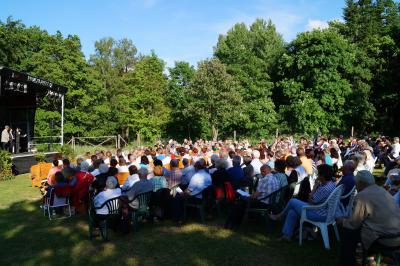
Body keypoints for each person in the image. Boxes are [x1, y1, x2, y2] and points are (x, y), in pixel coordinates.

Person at [336, 170, 400, 266]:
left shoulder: (362, 196)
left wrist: (341, 221)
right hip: (397, 235)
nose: (356, 186)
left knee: (348, 233)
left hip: (385, 239)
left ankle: (348, 262)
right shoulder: (382, 190)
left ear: (360, 183)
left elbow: (353, 224)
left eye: (356, 183)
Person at [270, 164, 336, 242]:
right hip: (324, 212)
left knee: (292, 201)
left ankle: (279, 216)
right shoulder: (330, 184)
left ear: (322, 176)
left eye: (319, 174)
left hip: (319, 214)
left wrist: (314, 187)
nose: (317, 175)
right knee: (292, 212)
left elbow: (310, 202)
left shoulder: (325, 188)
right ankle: (286, 236)